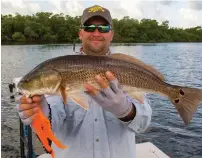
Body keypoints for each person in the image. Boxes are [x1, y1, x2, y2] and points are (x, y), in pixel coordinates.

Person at [17, 5, 152, 158]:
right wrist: (42, 112)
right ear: (80, 33)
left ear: (111, 34)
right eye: (89, 27)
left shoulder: (126, 69)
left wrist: (126, 111)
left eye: (103, 27)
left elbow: (143, 124)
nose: (96, 32)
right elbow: (54, 120)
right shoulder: (61, 68)